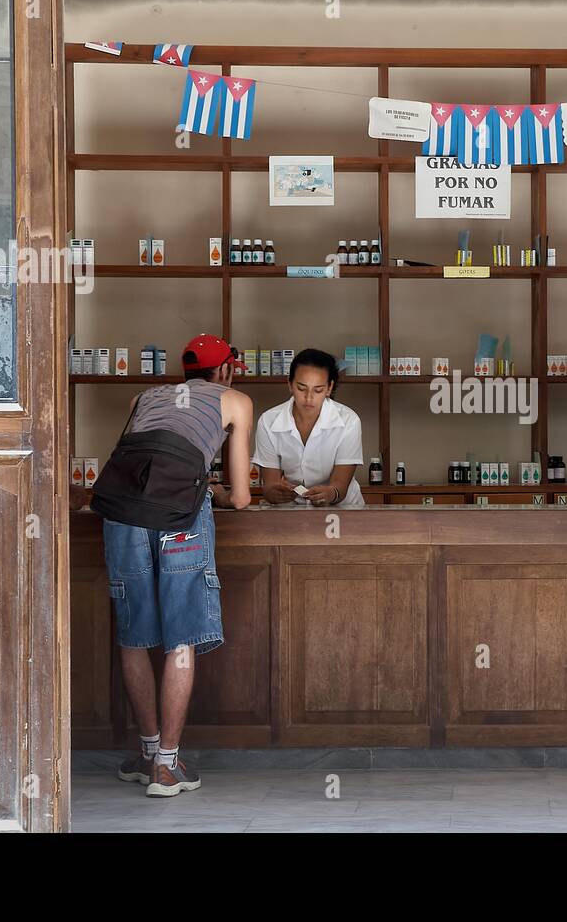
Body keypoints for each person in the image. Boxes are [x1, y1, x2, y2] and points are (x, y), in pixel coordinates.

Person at [98, 333, 253, 798]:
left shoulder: (143, 395)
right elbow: (242, 497)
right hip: (180, 518)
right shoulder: (236, 401)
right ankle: (168, 765)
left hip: (122, 514)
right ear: (225, 369)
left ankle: (147, 755)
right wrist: (218, 492)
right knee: (180, 634)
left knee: (135, 635)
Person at [255, 348, 364, 507]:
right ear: (290, 384)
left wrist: (331, 493)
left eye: (318, 390)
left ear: (329, 388)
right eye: (301, 388)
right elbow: (269, 485)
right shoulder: (268, 421)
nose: (309, 397)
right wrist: (275, 493)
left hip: (342, 510)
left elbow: (340, 485)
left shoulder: (349, 421)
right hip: (291, 511)